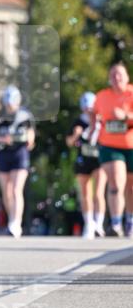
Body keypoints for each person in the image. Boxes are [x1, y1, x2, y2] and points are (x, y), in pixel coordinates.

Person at [91, 63, 133, 238]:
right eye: (113, 75)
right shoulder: (101, 96)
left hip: (131, 145)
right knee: (116, 181)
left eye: (120, 75)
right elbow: (94, 115)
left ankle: (130, 221)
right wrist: (95, 125)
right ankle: (116, 223)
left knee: (131, 187)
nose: (117, 78)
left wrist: (126, 117)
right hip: (110, 146)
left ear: (127, 77)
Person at [0, 85, 35, 238]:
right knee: (7, 192)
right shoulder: (0, 117)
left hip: (20, 154)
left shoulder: (25, 116)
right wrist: (4, 139)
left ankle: (16, 223)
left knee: (17, 189)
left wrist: (29, 139)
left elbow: (31, 137)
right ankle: (11, 220)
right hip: (4, 155)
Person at [66, 92, 106, 238]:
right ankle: (89, 224)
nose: (88, 112)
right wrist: (76, 135)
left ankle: (99, 223)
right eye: (86, 108)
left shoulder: (101, 121)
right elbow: (69, 143)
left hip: (99, 160)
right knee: (85, 194)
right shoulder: (78, 122)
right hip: (83, 160)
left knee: (98, 192)